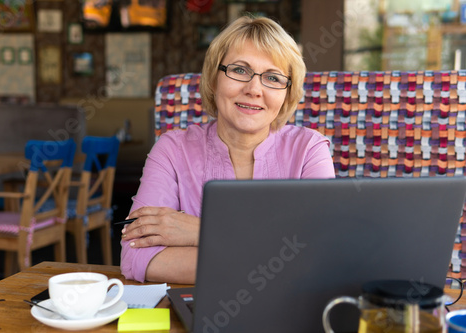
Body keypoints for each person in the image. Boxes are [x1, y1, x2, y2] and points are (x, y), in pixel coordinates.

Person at [120, 15, 336, 284]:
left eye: (272, 77)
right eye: (240, 70)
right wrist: (273, 252)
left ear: (287, 94)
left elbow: (321, 255)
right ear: (213, 79)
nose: (254, 89)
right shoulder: (171, 150)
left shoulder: (309, 150)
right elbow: (136, 257)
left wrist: (202, 232)